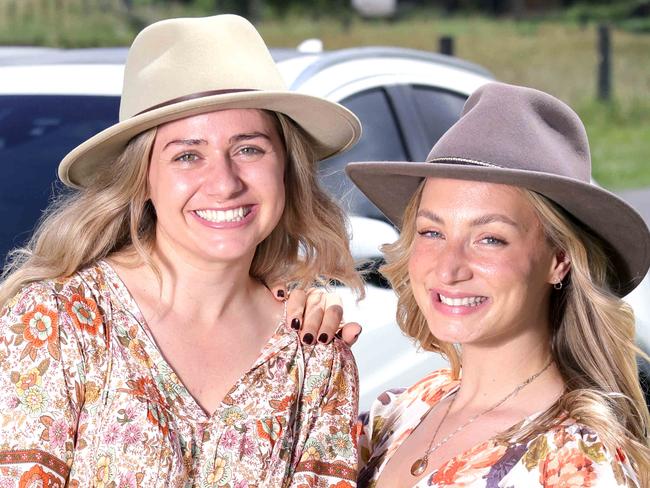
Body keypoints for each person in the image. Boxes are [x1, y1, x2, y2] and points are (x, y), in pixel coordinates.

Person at [0, 15, 363, 487]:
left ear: (286, 169)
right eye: (187, 155)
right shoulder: (58, 323)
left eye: (249, 149)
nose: (225, 183)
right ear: (143, 180)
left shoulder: (313, 354)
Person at [344, 82, 650, 487]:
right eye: (432, 232)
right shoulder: (404, 411)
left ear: (559, 261)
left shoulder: (576, 462)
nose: (449, 268)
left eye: (491, 239)